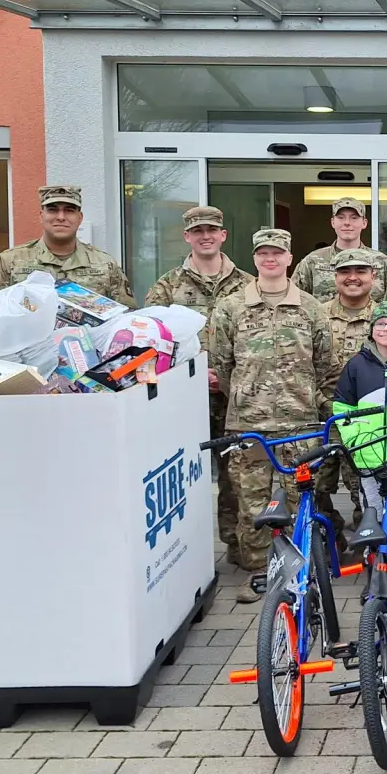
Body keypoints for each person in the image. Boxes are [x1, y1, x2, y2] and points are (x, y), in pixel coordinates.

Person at [206, 229, 335, 604]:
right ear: (255, 258)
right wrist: (250, 398)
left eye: (277, 253)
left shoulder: (310, 307)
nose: (270, 259)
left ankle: (300, 573)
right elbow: (221, 364)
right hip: (250, 426)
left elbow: (325, 364)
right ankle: (259, 574)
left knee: (299, 501)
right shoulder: (231, 307)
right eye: (263, 253)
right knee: (253, 505)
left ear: (289, 258)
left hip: (300, 424)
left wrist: (303, 397)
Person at [143, 206, 253, 567]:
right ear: (188, 236)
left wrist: (225, 373)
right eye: (197, 231)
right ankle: (183, 554)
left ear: (223, 236)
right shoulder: (168, 285)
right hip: (182, 397)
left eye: (212, 230)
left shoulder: (246, 284)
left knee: (234, 474)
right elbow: (149, 339)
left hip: (232, 394)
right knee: (181, 475)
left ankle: (236, 544)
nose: (205, 236)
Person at [332, 301, 387, 531]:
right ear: (371, 329)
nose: (386, 329)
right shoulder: (356, 365)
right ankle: (376, 564)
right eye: (380, 323)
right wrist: (355, 441)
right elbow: (342, 407)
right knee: (374, 518)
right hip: (369, 458)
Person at [0, 185, 135, 306]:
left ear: (79, 218)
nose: (61, 217)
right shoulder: (9, 262)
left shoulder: (105, 265)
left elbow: (125, 318)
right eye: (53, 210)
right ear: (41, 216)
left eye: (69, 211)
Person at [320, 248, 383, 530]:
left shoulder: (386, 315)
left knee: (364, 487)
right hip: (324, 413)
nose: (353, 278)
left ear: (373, 276)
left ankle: (366, 544)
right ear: (335, 276)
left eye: (360, 271)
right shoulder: (317, 314)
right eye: (345, 271)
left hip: (367, 418)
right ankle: (331, 538)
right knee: (316, 485)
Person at [291, 197, 387, 304]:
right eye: (341, 217)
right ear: (333, 222)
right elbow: (296, 303)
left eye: (354, 218)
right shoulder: (312, 262)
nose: (347, 223)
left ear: (364, 223)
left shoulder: (383, 263)